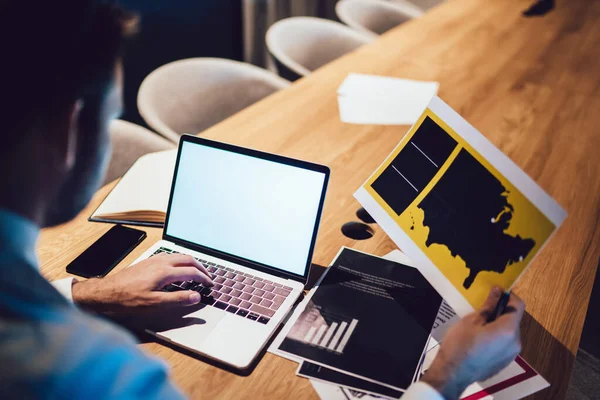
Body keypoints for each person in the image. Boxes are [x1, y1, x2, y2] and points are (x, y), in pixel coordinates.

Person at [0, 1, 524, 399]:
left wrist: (86, 293)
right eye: (111, 117)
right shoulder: (98, 374)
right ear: (68, 128)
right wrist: (447, 377)